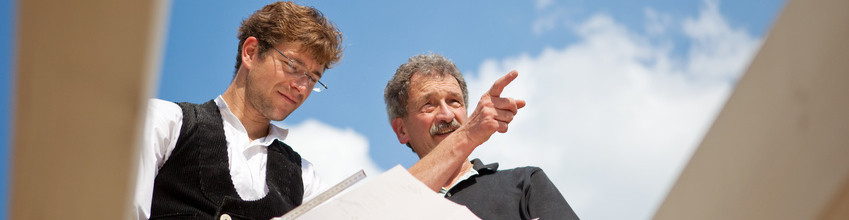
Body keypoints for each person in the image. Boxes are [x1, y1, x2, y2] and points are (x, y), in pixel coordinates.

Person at [134, 2, 342, 219]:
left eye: (312, 78)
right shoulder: (164, 123)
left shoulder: (305, 179)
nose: (301, 87)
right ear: (251, 52)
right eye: (293, 66)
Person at [384, 53, 580, 219]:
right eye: (429, 105)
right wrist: (468, 135)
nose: (447, 115)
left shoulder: (525, 183)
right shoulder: (385, 206)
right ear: (402, 130)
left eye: (454, 101)